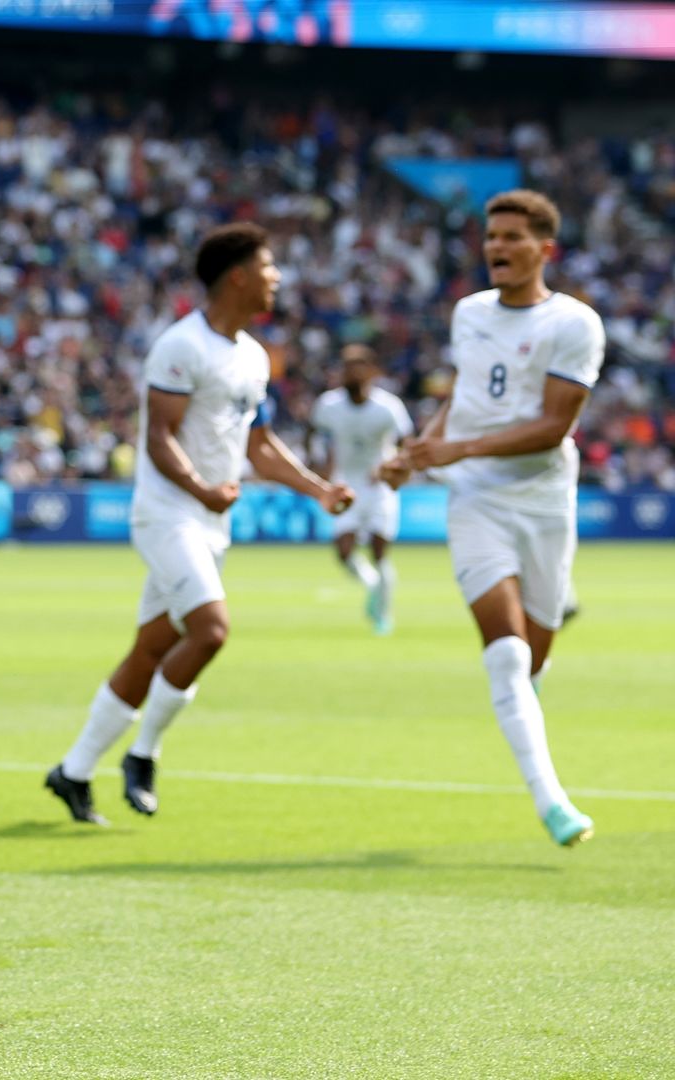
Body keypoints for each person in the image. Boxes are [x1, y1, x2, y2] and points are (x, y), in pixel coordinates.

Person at [46, 223, 355, 825]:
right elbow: (158, 436)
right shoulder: (181, 346)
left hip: (209, 520)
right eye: (269, 268)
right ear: (237, 276)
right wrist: (200, 489)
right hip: (169, 513)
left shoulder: (253, 355)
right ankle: (143, 754)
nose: (278, 280)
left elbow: (260, 446)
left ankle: (74, 771)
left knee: (150, 650)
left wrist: (319, 491)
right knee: (211, 630)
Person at [379, 189, 602, 847]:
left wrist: (455, 447)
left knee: (531, 661)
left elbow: (554, 426)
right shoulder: (469, 313)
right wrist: (422, 449)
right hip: (476, 498)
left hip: (544, 501)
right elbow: (467, 401)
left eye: (511, 237)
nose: (496, 248)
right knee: (506, 657)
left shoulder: (574, 324)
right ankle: (553, 802)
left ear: (545, 250)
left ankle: (523, 714)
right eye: (491, 236)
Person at [311, 343, 413, 633]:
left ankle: (383, 613)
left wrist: (392, 468)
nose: (351, 374)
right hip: (345, 483)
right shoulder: (328, 404)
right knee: (344, 551)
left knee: (380, 551)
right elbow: (314, 433)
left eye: (358, 368)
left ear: (371, 372)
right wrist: (319, 465)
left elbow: (407, 443)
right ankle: (373, 588)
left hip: (378, 486)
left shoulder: (388, 407)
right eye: (346, 368)